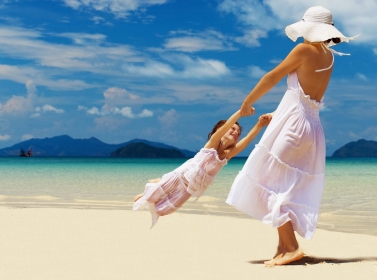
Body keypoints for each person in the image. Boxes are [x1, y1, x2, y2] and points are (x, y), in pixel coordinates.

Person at [226, 6, 359, 266]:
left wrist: (246, 103)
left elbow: (271, 77)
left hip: (294, 127)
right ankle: (283, 248)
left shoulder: (304, 50)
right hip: (312, 129)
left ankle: (293, 247)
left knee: (270, 182)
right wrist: (279, 112)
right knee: (282, 184)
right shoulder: (329, 57)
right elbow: (309, 98)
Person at [133, 109, 271, 228]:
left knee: (161, 211)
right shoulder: (212, 144)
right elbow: (225, 127)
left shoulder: (227, 155)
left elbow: (247, 140)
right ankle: (154, 186)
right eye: (232, 128)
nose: (236, 132)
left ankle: (156, 184)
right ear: (218, 130)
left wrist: (259, 125)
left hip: (189, 190)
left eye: (238, 132)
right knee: (148, 198)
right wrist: (241, 113)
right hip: (178, 177)